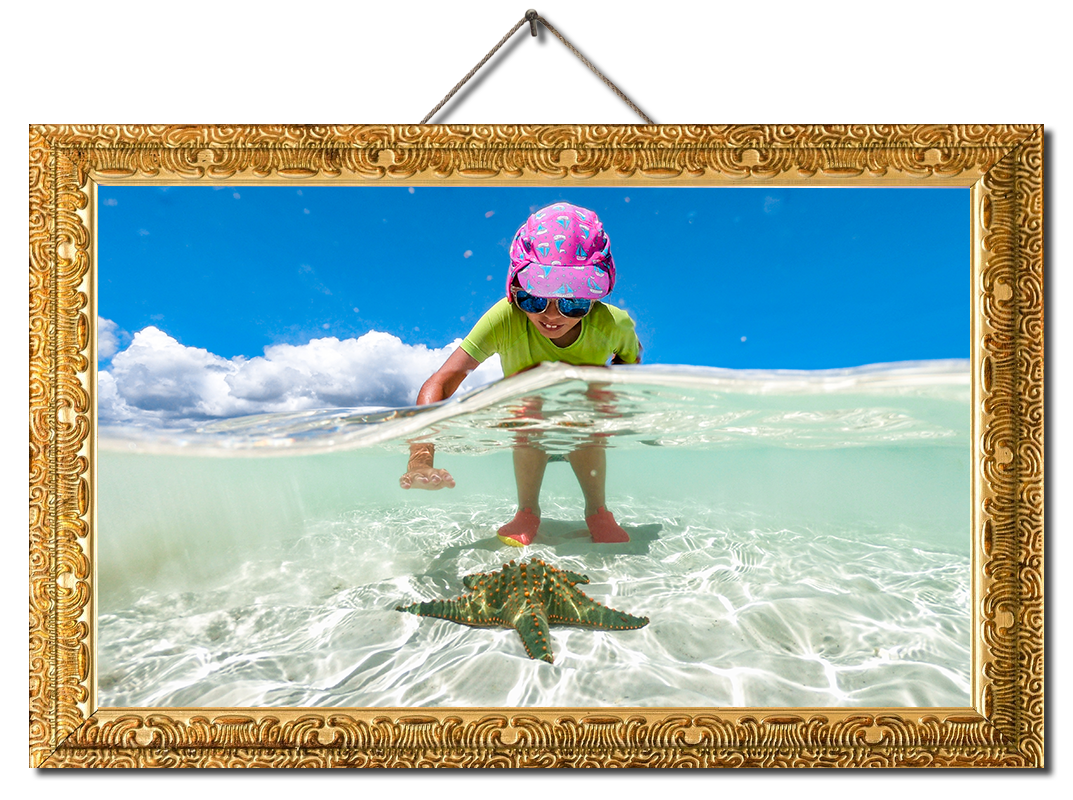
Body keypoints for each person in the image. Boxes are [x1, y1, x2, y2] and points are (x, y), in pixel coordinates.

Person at [399, 202, 641, 547]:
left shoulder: (613, 323)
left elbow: (630, 366)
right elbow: (441, 381)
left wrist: (613, 402)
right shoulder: (506, 318)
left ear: (595, 297)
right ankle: (527, 510)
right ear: (515, 289)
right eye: (534, 299)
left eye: (573, 302)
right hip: (526, 418)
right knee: (527, 418)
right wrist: (420, 459)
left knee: (585, 423)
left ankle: (597, 511)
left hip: (583, 414)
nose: (552, 316)